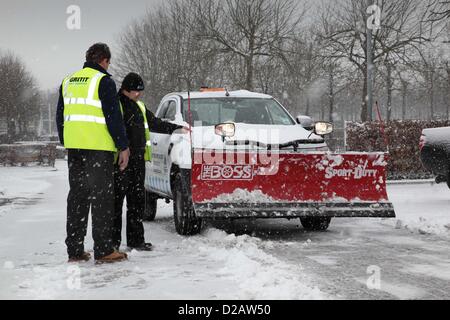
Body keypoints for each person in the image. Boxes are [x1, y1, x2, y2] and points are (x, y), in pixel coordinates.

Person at [56, 43, 130, 264]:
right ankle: (105, 250)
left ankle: (75, 250)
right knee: (102, 199)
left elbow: (60, 117)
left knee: (77, 197)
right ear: (104, 60)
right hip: (98, 150)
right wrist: (123, 146)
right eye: (109, 62)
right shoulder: (103, 81)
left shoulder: (68, 81)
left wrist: (67, 141)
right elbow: (113, 117)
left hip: (75, 150)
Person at [113, 72, 188, 251]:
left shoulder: (139, 106)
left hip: (139, 161)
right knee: (116, 204)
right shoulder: (116, 106)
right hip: (121, 162)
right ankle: (112, 244)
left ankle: (136, 240)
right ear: (126, 89)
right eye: (136, 91)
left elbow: (154, 123)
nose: (139, 94)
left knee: (137, 202)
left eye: (140, 91)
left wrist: (176, 128)